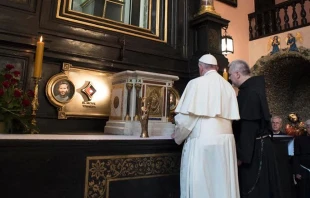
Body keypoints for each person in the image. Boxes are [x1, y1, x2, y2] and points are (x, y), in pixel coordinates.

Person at [172, 54, 240, 198]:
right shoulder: (229, 86)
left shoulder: (196, 83)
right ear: (216, 68)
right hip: (226, 143)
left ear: (201, 67)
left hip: (202, 141)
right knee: (222, 184)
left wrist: (177, 135)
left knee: (202, 184)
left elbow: (186, 120)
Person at [228, 59, 282, 198]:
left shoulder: (249, 93)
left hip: (255, 151)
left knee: (255, 190)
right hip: (261, 146)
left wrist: (241, 157)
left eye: (230, 74)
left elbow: (248, 128)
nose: (229, 78)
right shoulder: (254, 88)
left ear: (238, 74)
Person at [294, 119, 310, 198]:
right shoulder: (299, 139)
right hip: (303, 171)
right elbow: (296, 156)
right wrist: (297, 172)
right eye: (309, 127)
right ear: (306, 128)